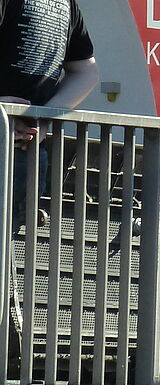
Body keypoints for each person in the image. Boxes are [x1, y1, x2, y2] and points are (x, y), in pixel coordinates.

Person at [1, 0, 99, 230]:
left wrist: (45, 116)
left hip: (25, 150)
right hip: (24, 149)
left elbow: (86, 71)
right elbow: (86, 71)